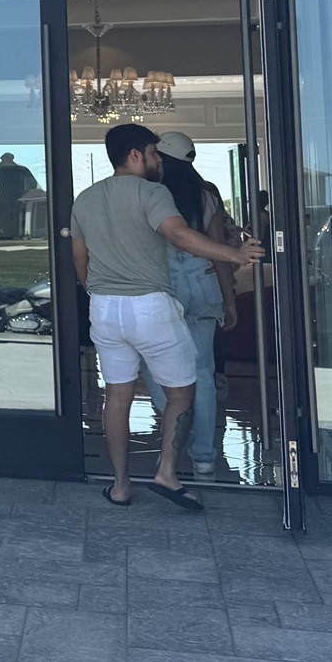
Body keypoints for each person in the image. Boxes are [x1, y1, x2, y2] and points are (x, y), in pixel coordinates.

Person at [71, 123, 261, 510]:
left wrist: (92, 288)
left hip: (105, 308)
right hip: (150, 306)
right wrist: (236, 255)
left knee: (118, 397)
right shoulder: (152, 192)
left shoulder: (85, 199)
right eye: (154, 153)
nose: (159, 161)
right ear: (136, 155)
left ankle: (121, 486)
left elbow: (80, 256)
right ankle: (167, 472)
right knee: (183, 390)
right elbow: (178, 235)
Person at [144, 132, 241, 479]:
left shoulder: (152, 194)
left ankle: (173, 421)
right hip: (203, 282)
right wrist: (229, 300)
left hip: (164, 284)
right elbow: (218, 249)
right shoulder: (207, 194)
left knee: (155, 364)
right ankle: (204, 457)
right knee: (202, 372)